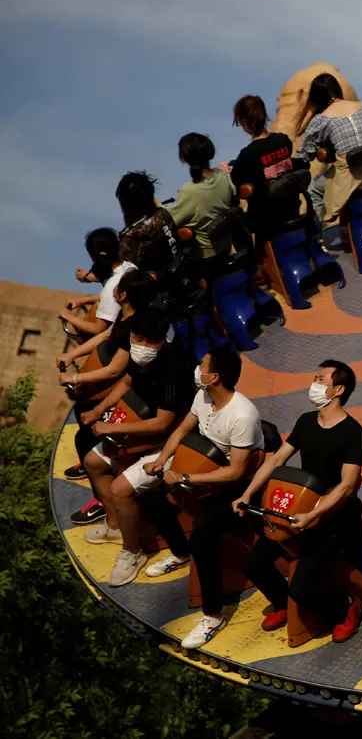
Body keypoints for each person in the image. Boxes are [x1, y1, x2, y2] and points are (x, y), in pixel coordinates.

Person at [234, 360, 362, 641]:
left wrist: (315, 514)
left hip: (334, 518)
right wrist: (247, 494)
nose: (314, 384)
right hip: (298, 509)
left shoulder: (353, 433)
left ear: (338, 389)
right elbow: (278, 460)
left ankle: (346, 607)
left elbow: (346, 486)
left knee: (302, 589)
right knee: (252, 564)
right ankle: (282, 604)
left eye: (321, 379)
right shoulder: (306, 421)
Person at [144, 346, 265, 649]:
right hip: (202, 470)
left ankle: (213, 615)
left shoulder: (242, 415)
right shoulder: (203, 397)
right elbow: (183, 429)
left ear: (215, 376)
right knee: (152, 499)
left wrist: (186, 479)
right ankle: (180, 553)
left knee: (203, 537)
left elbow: (236, 473)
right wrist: (162, 461)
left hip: (234, 488)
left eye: (203, 365)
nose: (197, 368)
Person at [75, 311, 196, 586]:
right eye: (137, 338)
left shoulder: (174, 369)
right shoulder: (136, 359)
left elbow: (163, 424)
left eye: (150, 341)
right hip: (137, 430)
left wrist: (110, 428)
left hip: (170, 443)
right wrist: (98, 411)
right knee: (93, 462)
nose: (142, 345)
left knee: (120, 488)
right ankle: (116, 525)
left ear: (162, 341)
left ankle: (132, 552)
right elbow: (127, 384)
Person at [60, 270, 161, 518]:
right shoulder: (124, 318)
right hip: (109, 392)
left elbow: (115, 371)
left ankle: (106, 503)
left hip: (122, 395)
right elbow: (105, 334)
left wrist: (75, 377)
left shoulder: (135, 327)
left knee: (90, 442)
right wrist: (72, 355)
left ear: (122, 294)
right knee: (86, 436)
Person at [296, 73, 362, 224]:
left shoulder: (321, 120)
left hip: (348, 179)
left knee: (314, 189)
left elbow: (304, 156)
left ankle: (328, 232)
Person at [227, 95, 297, 251]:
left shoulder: (247, 154)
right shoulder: (283, 141)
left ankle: (252, 263)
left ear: (245, 123)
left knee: (233, 219)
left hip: (266, 218)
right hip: (292, 208)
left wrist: (226, 171)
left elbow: (235, 184)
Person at [167, 133, 236, 259]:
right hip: (226, 246)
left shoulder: (188, 191)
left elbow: (169, 219)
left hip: (205, 256)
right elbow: (233, 194)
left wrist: (153, 201)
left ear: (185, 159)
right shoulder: (223, 175)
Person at [60, 228, 132, 338]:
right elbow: (116, 297)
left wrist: (69, 317)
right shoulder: (129, 267)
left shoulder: (112, 286)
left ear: (94, 258)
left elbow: (98, 329)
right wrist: (83, 300)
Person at [115, 171, 177, 275]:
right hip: (175, 275)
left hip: (152, 287)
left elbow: (120, 276)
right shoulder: (163, 214)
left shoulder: (131, 236)